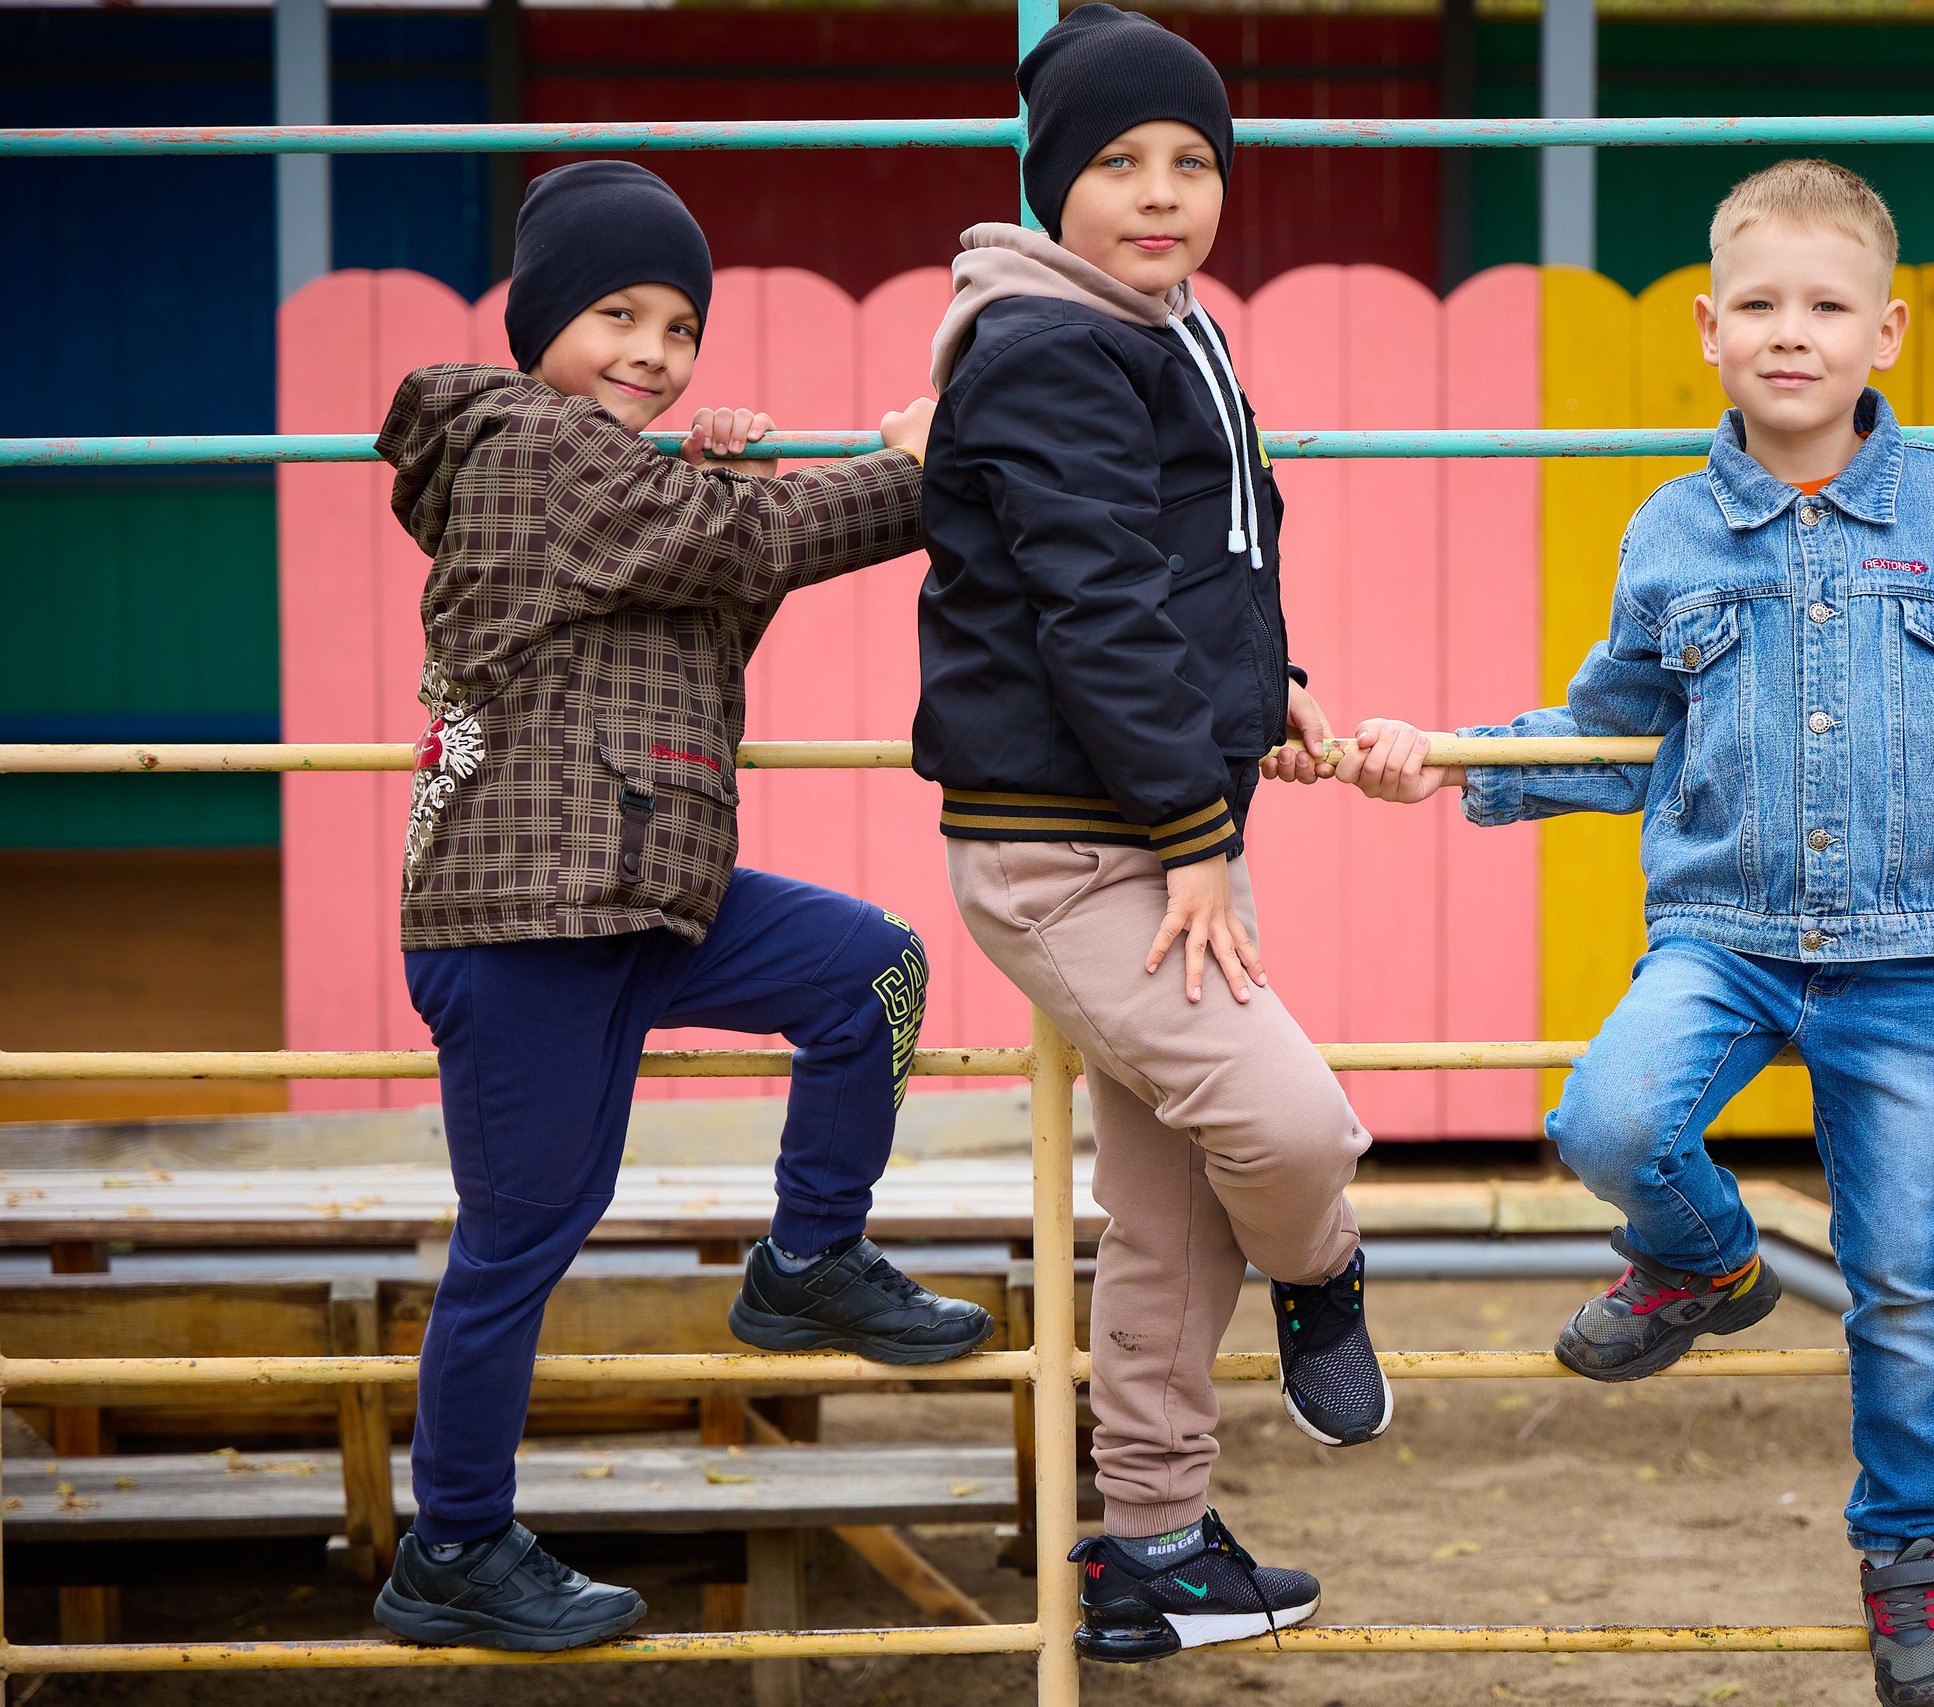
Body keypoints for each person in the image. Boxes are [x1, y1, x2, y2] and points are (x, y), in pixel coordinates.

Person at [1333, 159, 1934, 1707]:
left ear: (1888, 331)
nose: (1791, 333)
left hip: (1911, 957)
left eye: (1826, 307)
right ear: (1707, 328)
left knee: (1903, 1279)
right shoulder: (1673, 532)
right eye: (1758, 304)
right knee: (1606, 1117)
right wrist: (1454, 761)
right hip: (1728, 931)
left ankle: (1913, 1563)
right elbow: (1616, 732)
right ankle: (1699, 1262)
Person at [368, 159, 991, 1652]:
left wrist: (727, 487)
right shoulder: (527, 445)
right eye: (615, 316)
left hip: (643, 891)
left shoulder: (611, 476)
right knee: (523, 1236)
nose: (651, 353)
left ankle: (807, 1259)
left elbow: (715, 603)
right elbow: (752, 546)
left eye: (679, 329)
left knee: (875, 977)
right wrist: (928, 461)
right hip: (523, 922)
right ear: (536, 328)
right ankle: (451, 1542)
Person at [914, 3, 1391, 1661]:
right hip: (1075, 847)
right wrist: (1199, 832)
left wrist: (1284, 689)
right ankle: (1325, 1276)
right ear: (1052, 183)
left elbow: (1210, 569)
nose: (1162, 191)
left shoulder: (1165, 324)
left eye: (1193, 160)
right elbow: (1098, 609)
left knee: (1172, 1205)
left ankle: (1155, 1549)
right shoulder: (1054, 342)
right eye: (1117, 162)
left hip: (1160, 819)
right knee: (1293, 1132)